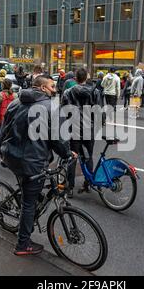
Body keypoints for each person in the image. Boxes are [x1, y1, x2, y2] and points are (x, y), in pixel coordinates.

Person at [0, 75, 77, 256]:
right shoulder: (51, 108)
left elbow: (4, 130)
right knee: (29, 204)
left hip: (12, 156)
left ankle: (26, 203)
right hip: (32, 161)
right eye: (52, 86)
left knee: (30, 190)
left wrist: (0, 151)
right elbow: (58, 138)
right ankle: (23, 244)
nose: (55, 89)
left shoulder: (15, 103)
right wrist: (67, 154)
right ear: (42, 88)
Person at [62, 68, 103, 197]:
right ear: (86, 77)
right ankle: (87, 183)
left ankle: (69, 188)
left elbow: (64, 111)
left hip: (73, 128)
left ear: (75, 78)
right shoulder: (95, 92)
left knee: (72, 157)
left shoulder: (68, 92)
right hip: (89, 128)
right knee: (88, 156)